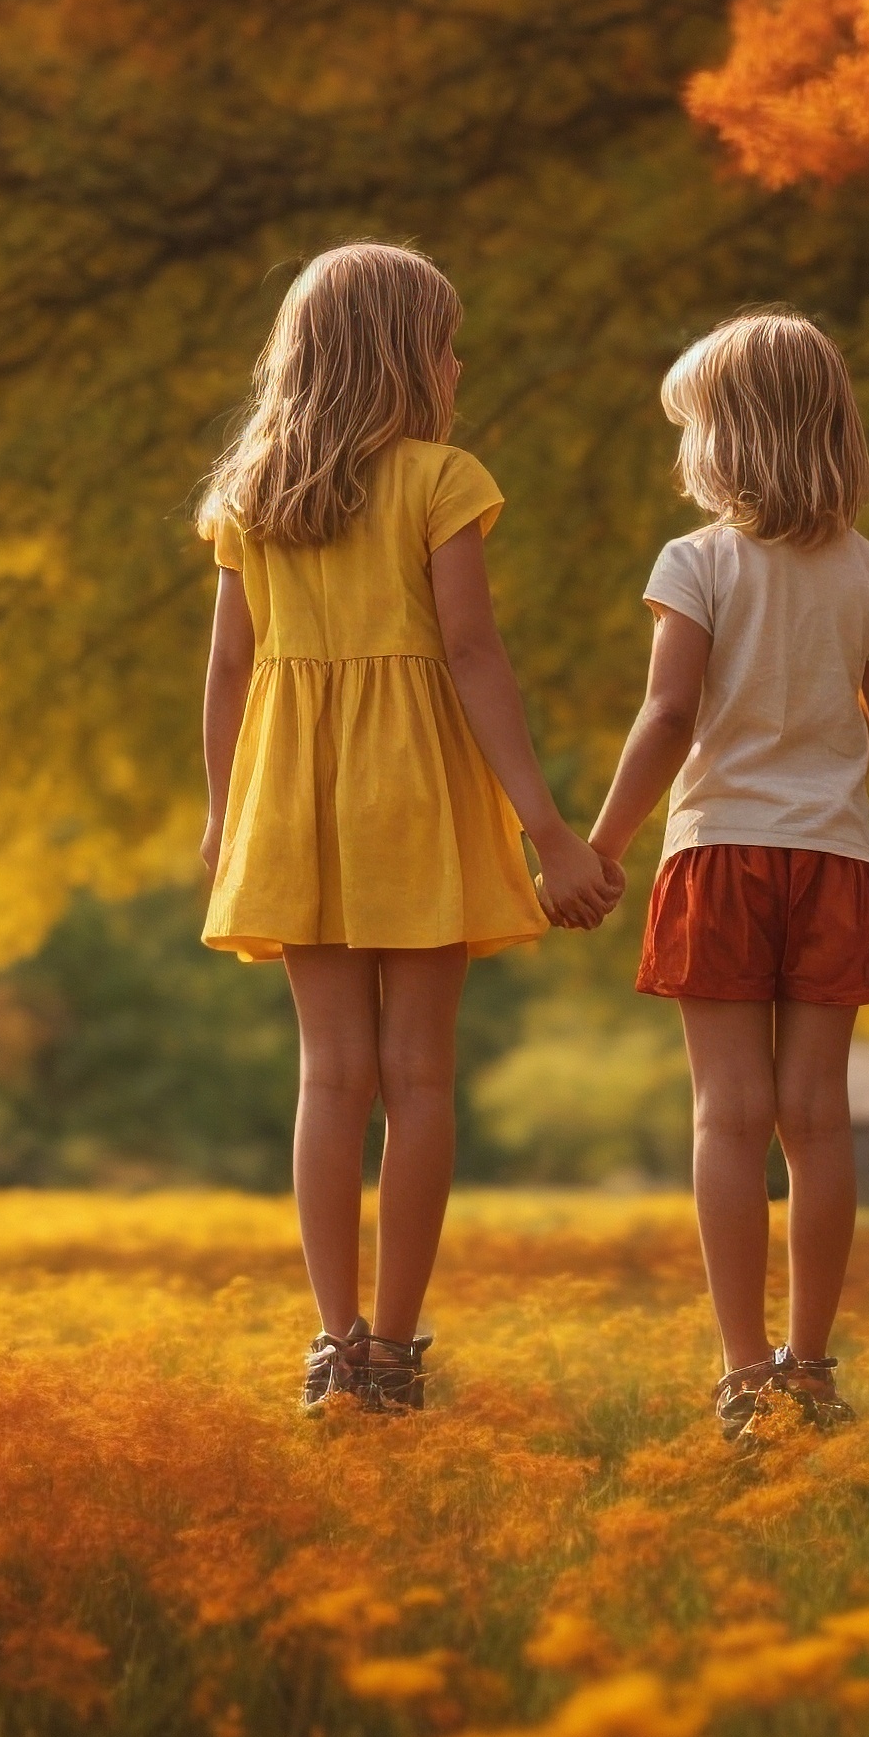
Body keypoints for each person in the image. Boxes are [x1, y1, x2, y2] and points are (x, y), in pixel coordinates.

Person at [197, 242, 622, 1416]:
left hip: (292, 798)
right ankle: (393, 1349)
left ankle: (332, 1345)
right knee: (419, 1077)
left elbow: (228, 673)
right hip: (415, 794)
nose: (459, 360)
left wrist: (229, 815)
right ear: (401, 357)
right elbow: (472, 656)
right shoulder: (443, 479)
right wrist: (549, 832)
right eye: (445, 340)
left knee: (330, 1077)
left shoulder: (249, 494)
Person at [581, 310, 869, 1441]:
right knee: (816, 1122)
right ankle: (814, 1366)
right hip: (836, 863)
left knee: (729, 1118)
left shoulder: (696, 563)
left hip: (720, 853)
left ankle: (743, 1372)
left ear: (723, 441)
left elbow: (669, 713)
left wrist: (603, 844)